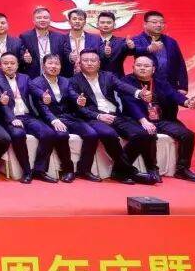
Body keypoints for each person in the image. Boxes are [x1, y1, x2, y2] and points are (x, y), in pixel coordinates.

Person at [66, 50, 158, 185]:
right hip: (93, 117)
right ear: (79, 63)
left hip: (114, 114)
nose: (90, 63)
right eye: (85, 60)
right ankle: (129, 171)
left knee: (142, 134)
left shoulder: (108, 76)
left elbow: (122, 86)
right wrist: (98, 116)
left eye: (93, 60)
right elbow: (77, 107)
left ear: (99, 63)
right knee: (108, 134)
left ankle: (119, 171)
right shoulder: (73, 81)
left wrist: (139, 93)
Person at [125, 54, 195, 182]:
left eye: (146, 66)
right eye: (139, 65)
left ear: (153, 69)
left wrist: (186, 102)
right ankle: (152, 169)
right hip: (138, 120)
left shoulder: (159, 81)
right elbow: (130, 103)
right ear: (133, 67)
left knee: (187, 135)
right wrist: (143, 120)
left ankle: (182, 170)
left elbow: (173, 94)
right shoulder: (126, 82)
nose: (142, 68)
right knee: (148, 134)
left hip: (160, 119)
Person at [0, 52, 62, 184]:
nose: (9, 66)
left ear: (17, 65)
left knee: (49, 134)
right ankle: (27, 172)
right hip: (8, 117)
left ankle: (39, 170)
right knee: (18, 134)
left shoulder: (24, 78)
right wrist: (11, 118)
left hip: (27, 116)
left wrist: (43, 95)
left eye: (12, 63)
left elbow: (35, 89)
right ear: (0, 65)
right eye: (6, 63)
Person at [29, 54, 93, 182]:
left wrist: (78, 100)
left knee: (91, 134)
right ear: (43, 66)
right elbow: (41, 106)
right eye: (50, 63)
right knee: (62, 135)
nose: (54, 66)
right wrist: (54, 120)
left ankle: (84, 170)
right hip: (49, 118)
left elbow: (72, 94)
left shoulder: (65, 81)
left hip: (67, 117)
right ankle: (68, 169)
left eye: (57, 64)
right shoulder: (36, 83)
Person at [131, 11, 188, 93]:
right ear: (145, 24)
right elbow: (132, 51)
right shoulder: (136, 40)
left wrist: (183, 86)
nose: (159, 25)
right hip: (146, 87)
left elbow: (180, 64)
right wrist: (148, 49)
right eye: (154, 22)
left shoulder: (171, 42)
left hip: (170, 86)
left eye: (162, 22)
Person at [18, 7, 67, 76]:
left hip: (55, 77)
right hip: (33, 78)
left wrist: (70, 57)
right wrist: (24, 59)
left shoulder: (59, 37)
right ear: (33, 21)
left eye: (45, 17)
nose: (42, 20)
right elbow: (19, 58)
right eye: (39, 18)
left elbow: (65, 58)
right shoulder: (25, 37)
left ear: (50, 20)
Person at [61, 9, 101, 77]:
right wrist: (69, 57)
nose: (77, 21)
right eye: (74, 19)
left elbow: (99, 57)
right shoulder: (61, 39)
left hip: (90, 76)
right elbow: (58, 56)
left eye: (80, 19)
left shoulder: (95, 38)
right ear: (69, 22)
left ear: (85, 22)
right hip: (67, 77)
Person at [94, 11, 134, 76]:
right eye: (102, 22)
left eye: (109, 23)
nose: (105, 25)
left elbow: (131, 52)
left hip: (117, 78)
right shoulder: (91, 41)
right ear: (97, 25)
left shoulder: (122, 41)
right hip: (95, 78)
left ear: (114, 25)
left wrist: (131, 47)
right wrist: (104, 54)